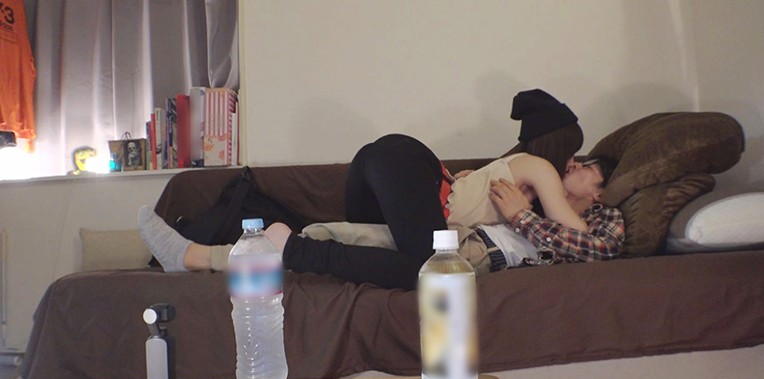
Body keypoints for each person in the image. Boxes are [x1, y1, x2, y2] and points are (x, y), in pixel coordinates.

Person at [138, 89, 625, 289]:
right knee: (429, 270)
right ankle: (290, 250)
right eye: (578, 159)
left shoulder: (520, 170)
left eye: (589, 172)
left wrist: (524, 212)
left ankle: (201, 253)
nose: (576, 166)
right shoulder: (539, 168)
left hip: (381, 177)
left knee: (360, 243)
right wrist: (531, 213)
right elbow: (580, 237)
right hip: (401, 164)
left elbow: (579, 236)